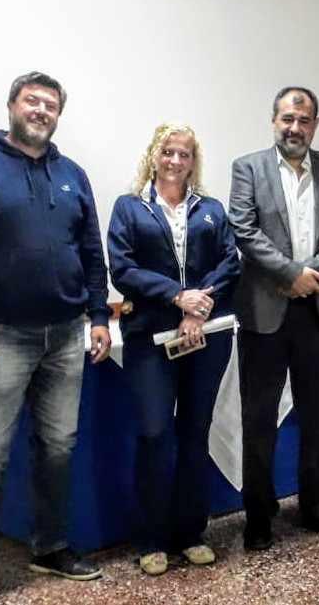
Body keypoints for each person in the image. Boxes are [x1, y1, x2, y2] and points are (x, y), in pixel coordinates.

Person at [0, 71, 110, 605]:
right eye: (33, 101)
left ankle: (50, 547)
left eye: (51, 105)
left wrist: (99, 315)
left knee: (58, 446)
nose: (41, 111)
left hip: (66, 335)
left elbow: (91, 252)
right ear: (12, 105)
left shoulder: (72, 175)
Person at [228, 86, 319, 551]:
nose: (295, 127)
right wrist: (289, 273)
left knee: (316, 413)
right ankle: (258, 512)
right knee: (259, 417)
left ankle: (316, 503)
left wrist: (310, 274)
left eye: (304, 120)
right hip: (265, 312)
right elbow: (243, 228)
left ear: (315, 125)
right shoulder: (248, 168)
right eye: (288, 118)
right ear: (274, 120)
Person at [107, 123, 240, 575]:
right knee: (155, 434)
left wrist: (197, 308)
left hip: (206, 335)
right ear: (154, 155)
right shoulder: (129, 207)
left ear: (193, 161)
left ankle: (191, 533)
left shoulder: (211, 209)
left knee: (195, 433)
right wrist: (176, 296)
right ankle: (151, 539)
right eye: (168, 152)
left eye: (184, 154)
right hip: (150, 338)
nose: (175, 161)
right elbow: (123, 268)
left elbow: (230, 262)